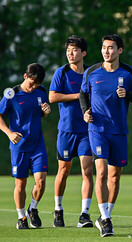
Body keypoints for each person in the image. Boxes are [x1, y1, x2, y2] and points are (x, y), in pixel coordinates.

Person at [79, 34, 132, 237]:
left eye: (111, 48)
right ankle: (105, 219)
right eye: (104, 47)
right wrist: (85, 111)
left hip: (119, 130)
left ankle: (106, 214)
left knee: (115, 176)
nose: (107, 51)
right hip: (97, 130)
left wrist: (128, 95)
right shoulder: (91, 72)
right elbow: (83, 93)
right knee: (101, 172)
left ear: (120, 50)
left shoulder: (129, 72)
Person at [49, 35, 94, 228]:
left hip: (86, 130)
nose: (70, 53)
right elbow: (52, 97)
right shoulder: (62, 72)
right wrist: (78, 95)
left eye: (74, 50)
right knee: (63, 171)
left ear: (83, 53)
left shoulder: (92, 73)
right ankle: (58, 209)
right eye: (68, 50)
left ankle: (84, 214)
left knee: (87, 170)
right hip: (66, 131)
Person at [0, 63, 51, 229]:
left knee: (41, 182)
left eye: (37, 83)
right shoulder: (11, 94)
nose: (33, 86)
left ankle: (33, 209)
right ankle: (21, 217)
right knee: (20, 184)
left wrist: (45, 111)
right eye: (31, 82)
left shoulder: (41, 91)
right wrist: (9, 133)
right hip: (19, 147)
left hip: (37, 145)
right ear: (25, 76)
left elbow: (39, 114)